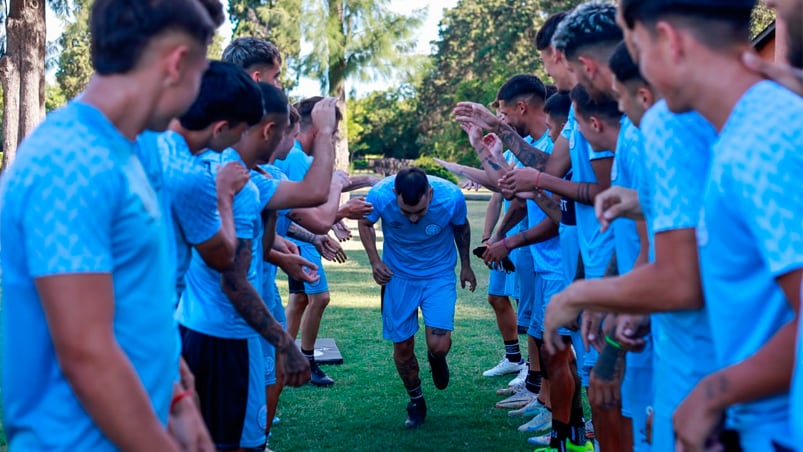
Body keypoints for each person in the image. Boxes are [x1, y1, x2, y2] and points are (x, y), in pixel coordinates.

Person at [0, 0, 217, 450]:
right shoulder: (68, 159)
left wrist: (178, 400)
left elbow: (137, 300)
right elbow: (87, 353)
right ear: (177, 64)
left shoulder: (127, 150)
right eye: (202, 72)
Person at [620, 0, 803, 449]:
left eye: (638, 48)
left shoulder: (761, 140)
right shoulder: (742, 131)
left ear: (669, 40)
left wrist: (712, 393)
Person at [358, 167, 477, 429]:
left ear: (430, 194)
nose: (413, 219)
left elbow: (461, 227)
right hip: (398, 277)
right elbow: (365, 222)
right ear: (394, 194)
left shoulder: (451, 197)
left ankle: (436, 359)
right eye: (406, 212)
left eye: (420, 212)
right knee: (402, 348)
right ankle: (416, 400)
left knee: (439, 345)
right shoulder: (379, 195)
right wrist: (374, 261)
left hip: (438, 274)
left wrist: (466, 265)